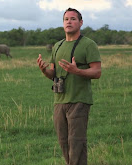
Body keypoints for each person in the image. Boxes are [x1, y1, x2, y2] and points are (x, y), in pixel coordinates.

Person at [36, 8, 101, 165]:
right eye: (66, 19)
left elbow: (97, 72)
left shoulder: (88, 44)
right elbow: (53, 74)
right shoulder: (57, 46)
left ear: (81, 22)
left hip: (79, 100)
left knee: (76, 142)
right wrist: (44, 70)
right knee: (64, 142)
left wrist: (76, 70)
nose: (69, 22)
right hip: (59, 101)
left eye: (73, 19)